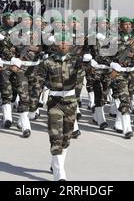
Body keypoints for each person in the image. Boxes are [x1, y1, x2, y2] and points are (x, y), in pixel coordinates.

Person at [35, 32, 82, 181]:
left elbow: (80, 81)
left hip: (71, 102)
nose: (63, 45)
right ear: (56, 44)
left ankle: (55, 163)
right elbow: (38, 82)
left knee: (66, 138)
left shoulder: (76, 61)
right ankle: (59, 174)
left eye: (66, 42)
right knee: (55, 137)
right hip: (54, 103)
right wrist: (33, 102)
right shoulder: (47, 62)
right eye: (61, 42)